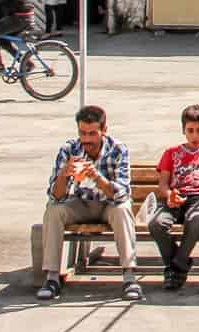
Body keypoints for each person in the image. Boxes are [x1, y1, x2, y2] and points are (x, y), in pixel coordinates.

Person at [37, 104, 139, 302]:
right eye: (83, 133)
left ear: (104, 130)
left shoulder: (118, 149)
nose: (87, 139)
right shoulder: (70, 149)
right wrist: (64, 174)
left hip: (108, 204)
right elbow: (56, 195)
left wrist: (97, 177)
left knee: (123, 210)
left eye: (92, 134)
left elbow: (121, 194)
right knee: (54, 210)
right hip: (82, 202)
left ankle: (129, 276)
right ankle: (51, 277)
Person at [151, 103, 199, 291]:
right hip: (175, 197)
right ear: (183, 130)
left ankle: (176, 266)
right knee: (156, 223)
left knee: (197, 219)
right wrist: (169, 194)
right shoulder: (171, 153)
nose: (195, 136)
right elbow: (162, 184)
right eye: (190, 130)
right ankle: (179, 264)